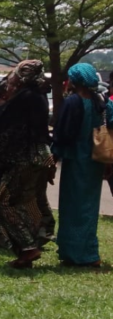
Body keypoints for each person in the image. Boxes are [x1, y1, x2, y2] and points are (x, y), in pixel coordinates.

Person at [0, 61, 54, 268]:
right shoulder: (39, 95)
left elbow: (8, 129)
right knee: (28, 200)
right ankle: (34, 240)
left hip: (24, 157)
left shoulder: (24, 98)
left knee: (3, 202)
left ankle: (28, 247)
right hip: (40, 155)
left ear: (22, 77)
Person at [53, 62, 113, 267]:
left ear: (75, 80)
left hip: (75, 160)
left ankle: (73, 252)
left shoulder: (72, 102)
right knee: (89, 207)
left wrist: (54, 156)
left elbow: (63, 133)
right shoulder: (102, 102)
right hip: (95, 161)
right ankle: (89, 251)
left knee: (71, 207)